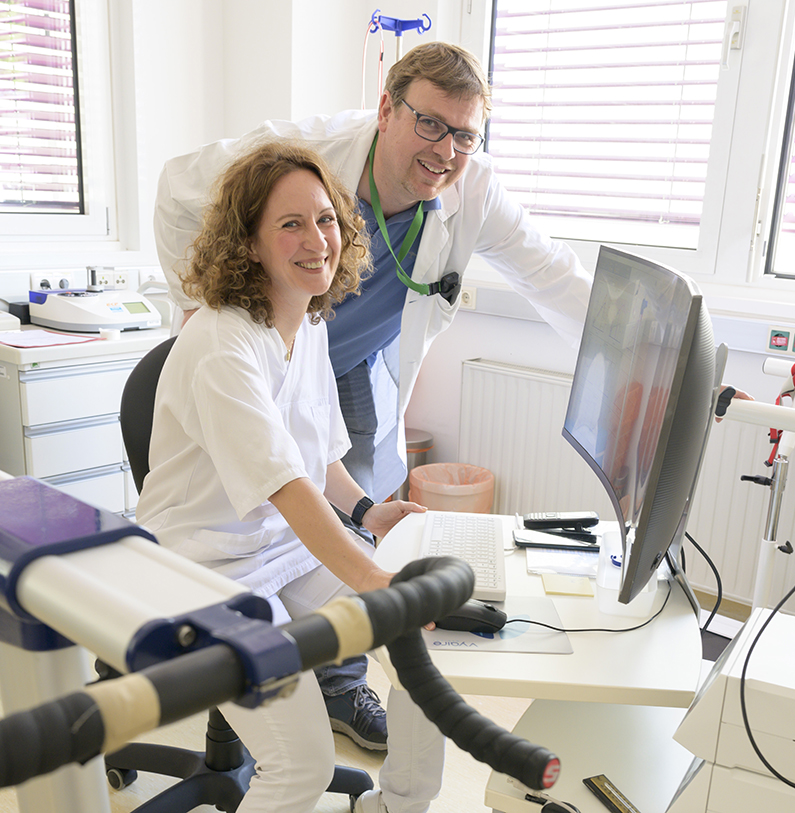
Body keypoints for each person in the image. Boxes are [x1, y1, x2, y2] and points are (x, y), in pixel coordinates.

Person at [154, 42, 593, 762]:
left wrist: (363, 515)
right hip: (221, 527)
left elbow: (553, 272)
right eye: (428, 124)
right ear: (386, 110)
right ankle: (280, 693)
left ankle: (345, 688)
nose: (445, 150)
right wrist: (205, 300)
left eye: (464, 134)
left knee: (365, 531)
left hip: (326, 334)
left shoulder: (455, 200)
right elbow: (178, 189)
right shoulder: (300, 164)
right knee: (333, 556)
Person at [137, 140, 434, 813]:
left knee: (419, 648)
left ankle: (396, 805)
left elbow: (318, 458)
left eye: (326, 219)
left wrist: (365, 513)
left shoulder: (310, 318)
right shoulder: (221, 343)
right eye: (291, 224)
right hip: (202, 570)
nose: (317, 240)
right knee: (301, 763)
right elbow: (285, 485)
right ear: (248, 243)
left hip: (284, 549)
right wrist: (372, 578)